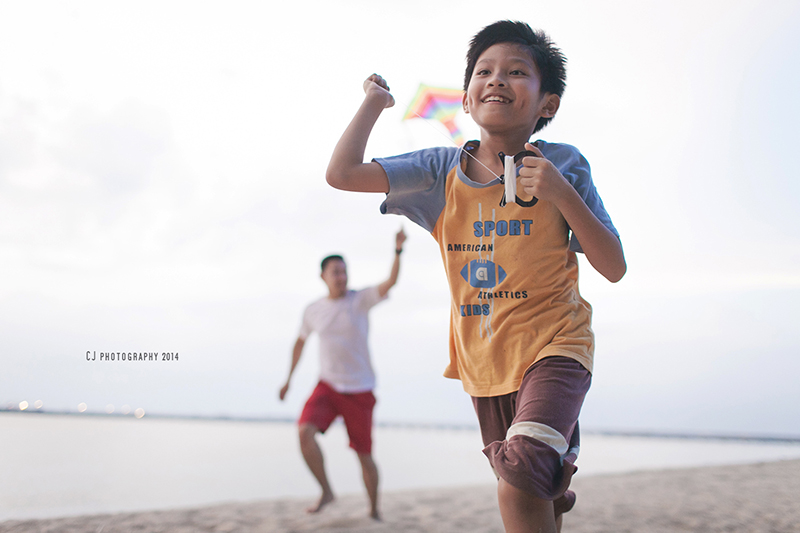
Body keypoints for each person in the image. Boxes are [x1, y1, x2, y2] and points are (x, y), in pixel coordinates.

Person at [324, 20, 626, 533]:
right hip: (484, 361)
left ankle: (544, 475)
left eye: (516, 72)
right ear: (466, 99)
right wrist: (374, 104)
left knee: (519, 478)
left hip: (558, 346)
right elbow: (343, 174)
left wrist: (559, 193)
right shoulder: (440, 171)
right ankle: (552, 485)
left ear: (546, 103)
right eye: (484, 71)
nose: (497, 80)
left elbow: (613, 266)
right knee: (531, 492)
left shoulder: (564, 165)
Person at [278, 228, 406, 520]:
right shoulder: (313, 310)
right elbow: (299, 343)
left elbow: (391, 282)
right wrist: (288, 380)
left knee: (363, 455)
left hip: (360, 389)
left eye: (344, 271)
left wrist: (397, 251)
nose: (341, 277)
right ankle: (326, 490)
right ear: (323, 276)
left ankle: (374, 510)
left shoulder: (359, 300)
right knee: (304, 433)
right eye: (335, 272)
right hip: (327, 386)